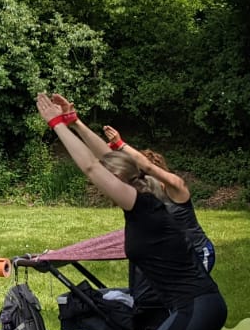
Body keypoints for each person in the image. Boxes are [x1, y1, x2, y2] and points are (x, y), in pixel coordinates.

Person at [36, 92, 227, 330]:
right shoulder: (148, 200)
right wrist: (74, 121)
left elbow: (93, 167)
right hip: (195, 305)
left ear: (119, 182)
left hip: (195, 307)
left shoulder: (140, 203)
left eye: (110, 180)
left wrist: (56, 126)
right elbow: (108, 159)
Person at [49, 95, 217, 274]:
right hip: (166, 256)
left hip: (197, 253)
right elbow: (109, 158)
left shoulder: (178, 187)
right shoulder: (144, 188)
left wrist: (120, 144)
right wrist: (75, 122)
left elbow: (145, 166)